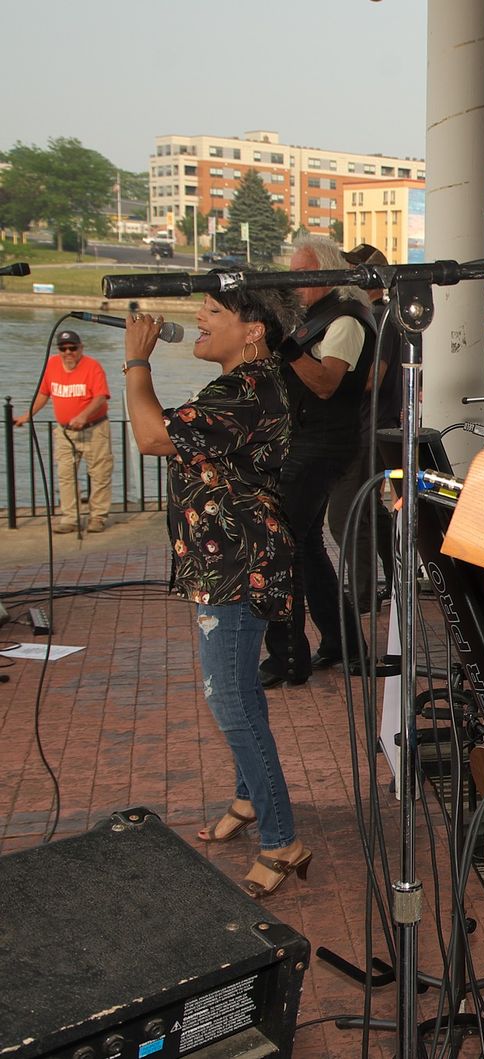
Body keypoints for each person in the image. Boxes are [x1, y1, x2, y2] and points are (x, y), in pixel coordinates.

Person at [120, 292, 314, 899]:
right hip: (230, 559)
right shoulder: (246, 383)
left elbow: (152, 436)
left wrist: (136, 361)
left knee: (230, 699)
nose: (198, 321)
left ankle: (282, 841)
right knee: (240, 690)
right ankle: (249, 799)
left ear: (252, 331)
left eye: (213, 312)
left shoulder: (245, 389)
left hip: (236, 564)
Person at [259, 234, 376, 687]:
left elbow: (327, 384)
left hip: (321, 446)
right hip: (310, 442)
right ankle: (343, 644)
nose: (295, 283)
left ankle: (288, 657)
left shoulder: (345, 320)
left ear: (326, 273)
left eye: (302, 274)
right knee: (304, 546)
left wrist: (286, 346)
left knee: (282, 545)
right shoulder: (318, 318)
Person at [323, 242, 402, 612]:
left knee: (345, 515)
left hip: (368, 429)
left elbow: (373, 378)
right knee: (370, 510)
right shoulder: (376, 315)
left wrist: (329, 379)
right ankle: (395, 575)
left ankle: (364, 594)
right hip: (370, 426)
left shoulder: (380, 318)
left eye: (353, 271)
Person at [13, 330, 114, 533]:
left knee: (100, 474)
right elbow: (44, 393)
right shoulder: (51, 364)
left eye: (72, 348)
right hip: (64, 432)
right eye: (63, 348)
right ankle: (70, 518)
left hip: (95, 429)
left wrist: (83, 416)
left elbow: (100, 397)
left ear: (80, 348)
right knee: (66, 474)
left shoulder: (92, 366)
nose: (68, 352)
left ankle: (97, 517)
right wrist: (27, 415)